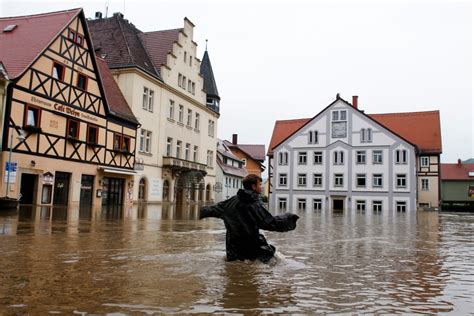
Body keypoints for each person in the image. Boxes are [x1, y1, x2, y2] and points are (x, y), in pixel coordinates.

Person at [200, 174, 299, 263]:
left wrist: (198, 212)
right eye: (260, 184)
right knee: (276, 262)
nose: (261, 187)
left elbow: (211, 209)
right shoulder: (254, 204)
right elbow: (270, 223)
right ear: (254, 186)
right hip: (251, 251)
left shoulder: (230, 202)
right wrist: (289, 218)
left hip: (232, 251)